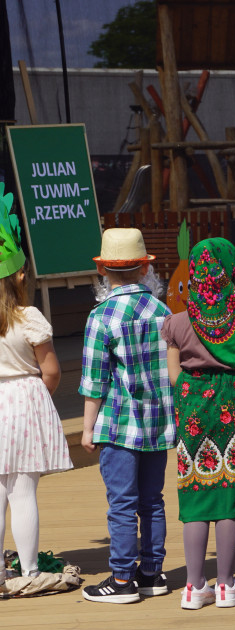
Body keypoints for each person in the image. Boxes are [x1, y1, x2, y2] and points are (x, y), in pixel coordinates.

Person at [161, 238, 235, 611]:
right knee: (227, 497)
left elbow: (174, 375)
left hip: (193, 414)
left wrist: (195, 390)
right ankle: (225, 586)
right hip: (234, 409)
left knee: (195, 492)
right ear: (231, 270)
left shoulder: (176, 322)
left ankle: (193, 587)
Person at [80, 228, 175, 604]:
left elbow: (93, 381)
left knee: (121, 502)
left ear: (103, 270)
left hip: (119, 426)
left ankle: (122, 581)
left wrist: (88, 429)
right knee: (152, 499)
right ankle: (151, 573)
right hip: (158, 422)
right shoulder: (163, 312)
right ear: (144, 269)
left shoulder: (101, 316)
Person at [0, 196, 71, 585]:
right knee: (23, 491)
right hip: (24, 399)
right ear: (21, 276)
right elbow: (51, 370)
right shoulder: (28, 317)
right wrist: (39, 395)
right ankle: (28, 572)